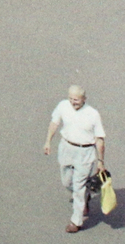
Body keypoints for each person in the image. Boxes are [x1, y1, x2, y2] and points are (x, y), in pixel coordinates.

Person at [44, 86, 105, 232]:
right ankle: (85, 195)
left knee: (78, 186)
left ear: (84, 99)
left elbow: (100, 139)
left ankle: (76, 221)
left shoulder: (93, 114)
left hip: (85, 152)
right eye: (71, 98)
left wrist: (101, 161)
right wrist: (48, 141)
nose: (73, 102)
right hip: (66, 147)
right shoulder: (63, 106)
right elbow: (54, 123)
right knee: (67, 182)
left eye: (76, 100)